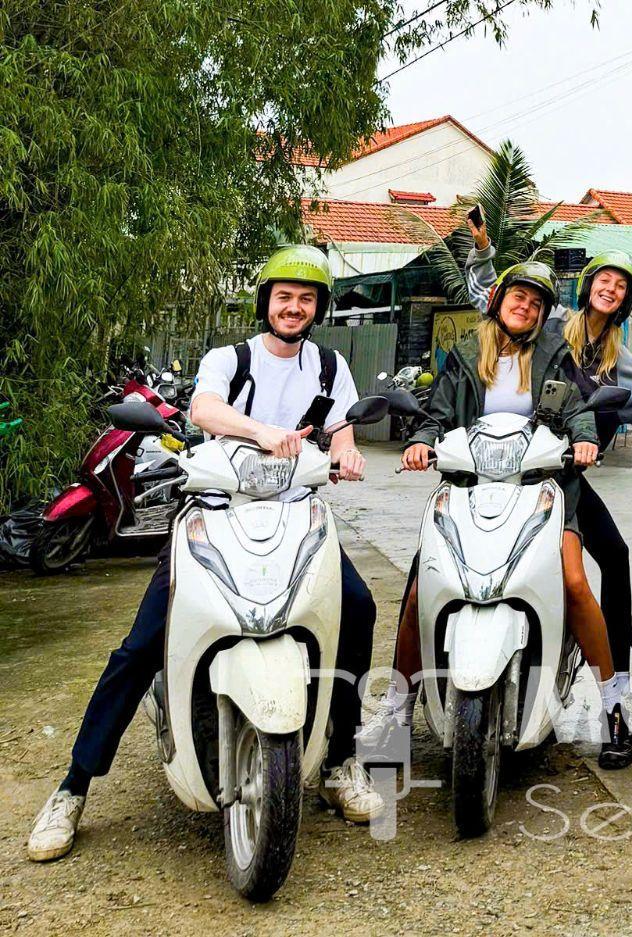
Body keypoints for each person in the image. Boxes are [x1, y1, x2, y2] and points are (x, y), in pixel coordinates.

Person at [27, 245, 383, 862]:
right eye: (283, 297)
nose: (293, 308)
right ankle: (72, 788)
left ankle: (341, 759)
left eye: (305, 299)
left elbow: (342, 430)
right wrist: (261, 431)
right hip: (214, 517)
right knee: (142, 645)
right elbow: (203, 409)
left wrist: (347, 454)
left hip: (297, 515)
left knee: (357, 609)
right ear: (266, 302)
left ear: (318, 307)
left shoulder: (330, 367)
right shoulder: (231, 358)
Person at [366, 242, 617, 765]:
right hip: (468, 489)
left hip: (542, 488)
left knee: (573, 582)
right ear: (499, 298)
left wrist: (586, 438)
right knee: (419, 592)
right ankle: (396, 709)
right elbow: (436, 415)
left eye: (535, 303)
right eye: (518, 296)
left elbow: (579, 409)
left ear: (543, 314)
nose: (524, 306)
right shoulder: (464, 354)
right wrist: (420, 441)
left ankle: (613, 703)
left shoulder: (554, 354)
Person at [550, 248, 632, 768]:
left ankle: (615, 700)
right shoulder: (552, 326)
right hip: (515, 474)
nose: (613, 288)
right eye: (605, 279)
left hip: (572, 481)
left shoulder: (619, 359)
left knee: (617, 556)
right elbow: (496, 303)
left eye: (622, 286)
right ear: (587, 285)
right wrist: (486, 252)